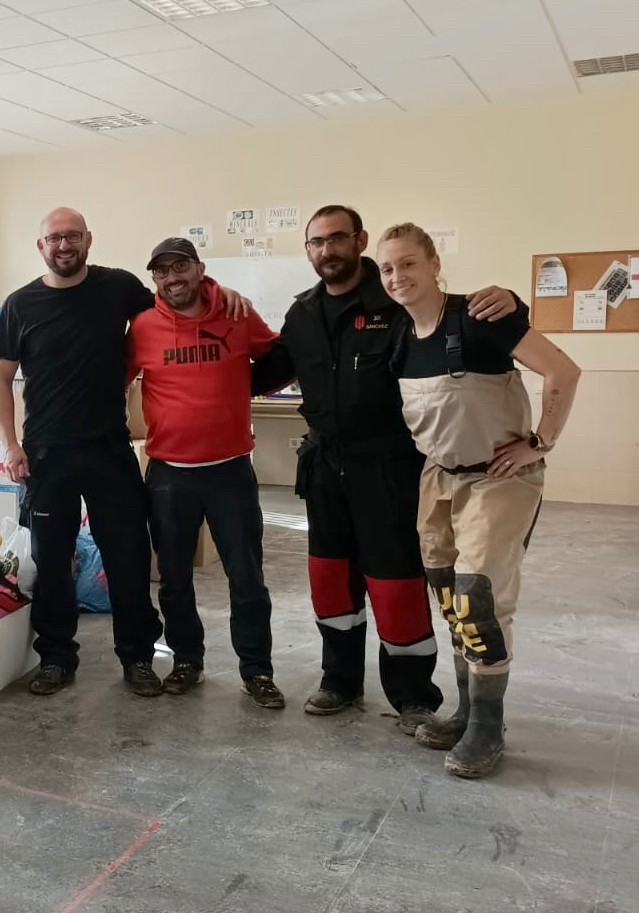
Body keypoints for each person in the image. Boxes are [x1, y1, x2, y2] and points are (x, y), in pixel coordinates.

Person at [250, 204, 521, 732]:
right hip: (325, 467)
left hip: (390, 468)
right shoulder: (302, 313)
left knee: (395, 584)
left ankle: (413, 695)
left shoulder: (395, 302)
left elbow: (456, 322)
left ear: (359, 241)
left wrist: (514, 304)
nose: (326, 250)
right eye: (315, 243)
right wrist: (218, 337)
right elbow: (266, 374)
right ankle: (339, 681)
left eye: (336, 239)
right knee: (330, 584)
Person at [0, 207, 249, 698]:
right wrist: (10, 445)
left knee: (127, 558)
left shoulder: (118, 287)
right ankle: (56, 657)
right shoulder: (20, 304)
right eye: (54, 238)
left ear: (88, 239)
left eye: (72, 236)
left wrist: (220, 293)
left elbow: (177, 303)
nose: (63, 245)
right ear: (40, 246)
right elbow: (0, 379)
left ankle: (137, 657)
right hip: (47, 456)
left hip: (110, 450)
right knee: (52, 560)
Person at [377, 222, 579, 777]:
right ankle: (467, 710)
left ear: (434, 263)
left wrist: (540, 442)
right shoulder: (400, 336)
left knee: (479, 598)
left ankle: (489, 727)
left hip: (498, 480)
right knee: (449, 598)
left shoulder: (481, 315)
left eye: (408, 263)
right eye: (388, 268)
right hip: (438, 479)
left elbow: (563, 369)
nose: (398, 277)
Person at [126, 237, 283, 708]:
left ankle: (257, 671)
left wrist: (241, 392)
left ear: (199, 269)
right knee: (174, 579)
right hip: (170, 476)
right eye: (162, 271)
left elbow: (276, 357)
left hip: (231, 472)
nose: (173, 278)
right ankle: (186, 661)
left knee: (247, 577)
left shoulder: (236, 313)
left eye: (181, 268)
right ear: (155, 278)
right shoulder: (143, 327)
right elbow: (113, 381)